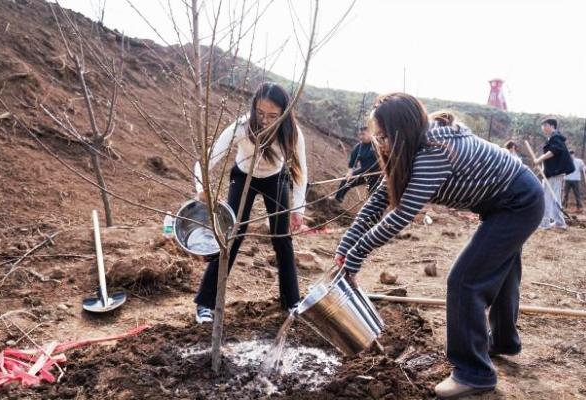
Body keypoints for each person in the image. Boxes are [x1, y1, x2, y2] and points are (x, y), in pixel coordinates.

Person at [333, 93, 544, 399]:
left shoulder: (433, 151)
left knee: (465, 280)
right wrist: (345, 246)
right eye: (376, 137)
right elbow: (378, 200)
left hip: (518, 203)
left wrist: (355, 257)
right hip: (507, 202)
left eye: (383, 137)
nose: (380, 144)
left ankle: (474, 373)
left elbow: (401, 214)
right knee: (501, 273)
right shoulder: (411, 146)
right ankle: (503, 341)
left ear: (402, 131)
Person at [193, 82, 307, 324]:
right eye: (260, 113)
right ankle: (206, 304)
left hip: (275, 178)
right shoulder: (242, 127)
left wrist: (298, 209)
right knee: (231, 236)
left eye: (273, 116)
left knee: (282, 238)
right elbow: (205, 160)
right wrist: (202, 189)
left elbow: (301, 172)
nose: (265, 121)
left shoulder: (292, 132)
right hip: (244, 176)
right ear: (254, 107)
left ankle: (292, 302)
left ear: (285, 112)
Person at [532, 118, 574, 230]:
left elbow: (554, 151)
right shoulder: (553, 138)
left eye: (545, 125)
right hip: (553, 173)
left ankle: (544, 223)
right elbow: (553, 155)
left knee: (547, 197)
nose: (543, 128)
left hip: (554, 173)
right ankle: (559, 222)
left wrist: (539, 159)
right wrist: (542, 166)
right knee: (554, 197)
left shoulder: (556, 137)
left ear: (552, 126)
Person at [334, 126, 380, 202]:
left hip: (377, 175)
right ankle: (337, 199)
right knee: (346, 180)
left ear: (370, 133)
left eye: (363, 134)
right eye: (360, 134)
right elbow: (352, 162)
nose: (361, 137)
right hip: (363, 173)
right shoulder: (358, 147)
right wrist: (350, 173)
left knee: (373, 195)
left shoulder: (377, 145)